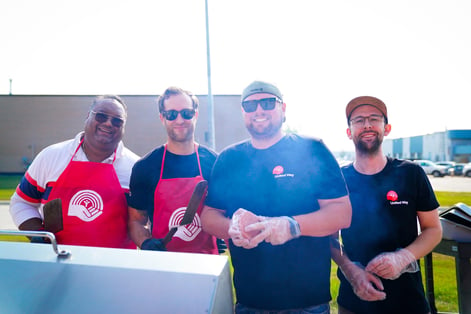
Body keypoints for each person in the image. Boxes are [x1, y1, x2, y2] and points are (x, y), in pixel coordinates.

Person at [201, 80, 352, 313]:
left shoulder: (312, 149)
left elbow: (341, 213)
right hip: (251, 301)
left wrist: (291, 226)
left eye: (267, 102)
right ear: (243, 112)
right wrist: (232, 228)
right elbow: (209, 216)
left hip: (307, 301)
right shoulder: (229, 159)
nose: (259, 110)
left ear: (283, 108)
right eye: (250, 105)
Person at [331, 96, 443, 314]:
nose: (367, 125)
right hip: (354, 302)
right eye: (358, 120)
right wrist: (352, 271)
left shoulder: (411, 173)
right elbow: (329, 238)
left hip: (408, 301)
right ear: (348, 132)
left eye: (374, 119)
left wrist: (404, 257)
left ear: (387, 128)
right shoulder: (337, 180)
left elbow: (433, 229)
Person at [9, 95, 139, 249]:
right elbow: (21, 203)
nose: (108, 123)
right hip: (57, 261)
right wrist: (38, 235)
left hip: (116, 266)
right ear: (87, 117)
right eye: (101, 116)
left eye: (117, 120)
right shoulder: (50, 156)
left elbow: (144, 221)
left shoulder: (136, 168)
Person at [127, 86, 220, 254]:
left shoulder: (215, 163)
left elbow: (223, 213)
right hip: (164, 266)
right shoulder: (145, 167)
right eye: (171, 114)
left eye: (186, 113)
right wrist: (146, 242)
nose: (179, 120)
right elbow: (136, 221)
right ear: (162, 118)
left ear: (195, 115)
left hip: (207, 265)